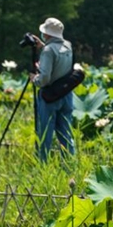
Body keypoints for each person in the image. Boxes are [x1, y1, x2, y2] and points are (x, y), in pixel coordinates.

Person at [29, 17, 74, 162]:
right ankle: (69, 165)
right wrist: (43, 46)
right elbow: (59, 64)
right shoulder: (68, 46)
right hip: (66, 94)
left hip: (49, 96)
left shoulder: (48, 51)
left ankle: (42, 165)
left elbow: (45, 79)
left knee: (44, 134)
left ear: (47, 34)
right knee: (65, 133)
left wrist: (34, 79)